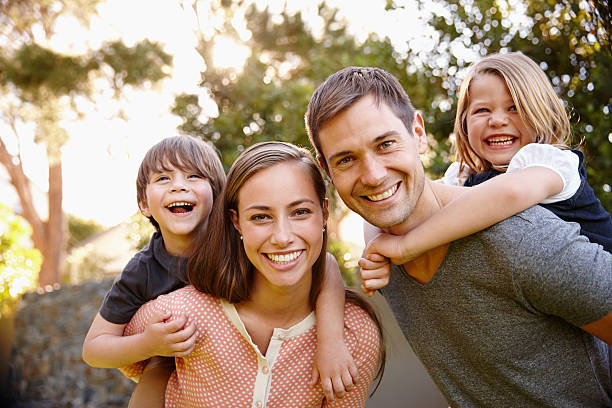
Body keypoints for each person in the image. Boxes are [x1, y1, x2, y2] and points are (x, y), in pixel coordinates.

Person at [305, 66, 612, 406]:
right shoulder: (383, 254)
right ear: (327, 171)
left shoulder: (521, 239)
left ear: (418, 133)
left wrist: (403, 246)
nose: (374, 175)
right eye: (346, 159)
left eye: (386, 144)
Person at [82, 136, 356, 402]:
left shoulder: (240, 243)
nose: (179, 186)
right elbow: (94, 349)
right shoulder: (141, 270)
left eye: (194, 176)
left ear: (219, 196)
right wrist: (149, 345)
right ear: (144, 204)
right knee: (157, 370)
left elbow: (325, 267)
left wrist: (330, 341)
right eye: (163, 178)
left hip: (239, 352)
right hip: (174, 356)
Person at [358, 53, 611, 279]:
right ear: (465, 122)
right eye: (482, 110)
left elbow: (508, 193)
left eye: (515, 108)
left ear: (541, 113)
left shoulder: (551, 163)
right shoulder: (461, 177)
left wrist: (406, 246)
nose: (498, 120)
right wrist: (376, 249)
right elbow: (399, 200)